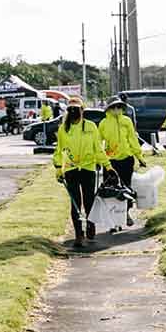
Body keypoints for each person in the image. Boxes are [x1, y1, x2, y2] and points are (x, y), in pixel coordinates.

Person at [53, 97, 114, 248]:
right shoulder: (63, 129)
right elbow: (59, 151)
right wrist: (58, 169)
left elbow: (98, 149)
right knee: (75, 204)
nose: (74, 112)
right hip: (71, 169)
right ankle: (79, 235)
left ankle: (91, 226)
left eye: (76, 109)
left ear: (82, 110)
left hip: (88, 168)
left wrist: (108, 166)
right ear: (68, 111)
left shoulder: (91, 127)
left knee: (89, 201)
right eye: (71, 109)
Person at [98, 98, 146, 226]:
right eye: (113, 107)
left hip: (126, 159)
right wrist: (99, 159)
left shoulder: (127, 121)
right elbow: (98, 142)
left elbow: (132, 139)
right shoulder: (103, 123)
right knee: (111, 189)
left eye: (119, 107)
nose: (116, 110)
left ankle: (126, 214)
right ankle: (112, 217)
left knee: (127, 188)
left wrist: (139, 157)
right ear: (108, 109)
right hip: (110, 161)